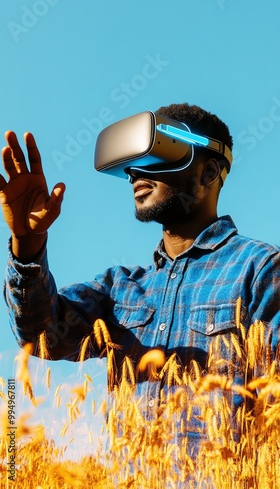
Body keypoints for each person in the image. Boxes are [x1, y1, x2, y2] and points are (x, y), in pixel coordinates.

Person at [1, 102, 280, 456]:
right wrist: (27, 243)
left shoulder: (261, 269)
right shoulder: (119, 288)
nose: (135, 175)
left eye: (153, 159)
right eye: (129, 167)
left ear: (208, 173)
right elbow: (41, 337)